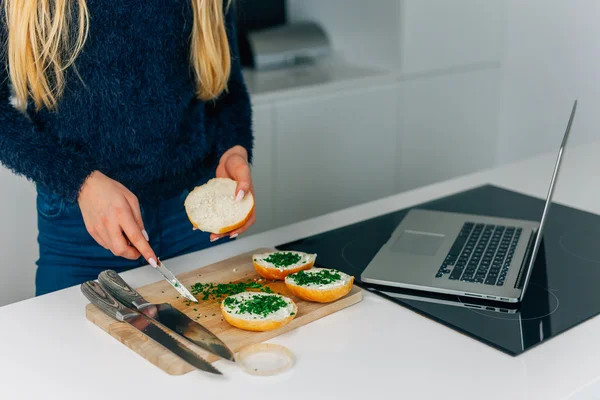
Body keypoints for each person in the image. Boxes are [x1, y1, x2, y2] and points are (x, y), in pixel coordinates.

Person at [0, 0, 255, 295]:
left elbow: (227, 84)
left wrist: (234, 149)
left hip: (196, 221)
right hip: (79, 232)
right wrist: (78, 181)